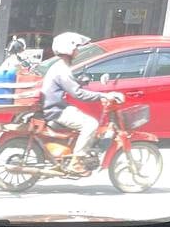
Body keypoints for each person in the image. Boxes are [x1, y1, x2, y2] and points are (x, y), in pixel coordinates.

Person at [41, 31, 124, 172]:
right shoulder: (62, 69)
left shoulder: (60, 66)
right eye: (76, 48)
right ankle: (76, 161)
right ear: (69, 48)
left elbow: (71, 85)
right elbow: (78, 93)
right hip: (56, 110)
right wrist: (103, 96)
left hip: (57, 106)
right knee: (91, 124)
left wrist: (80, 82)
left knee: (83, 117)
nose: (77, 51)